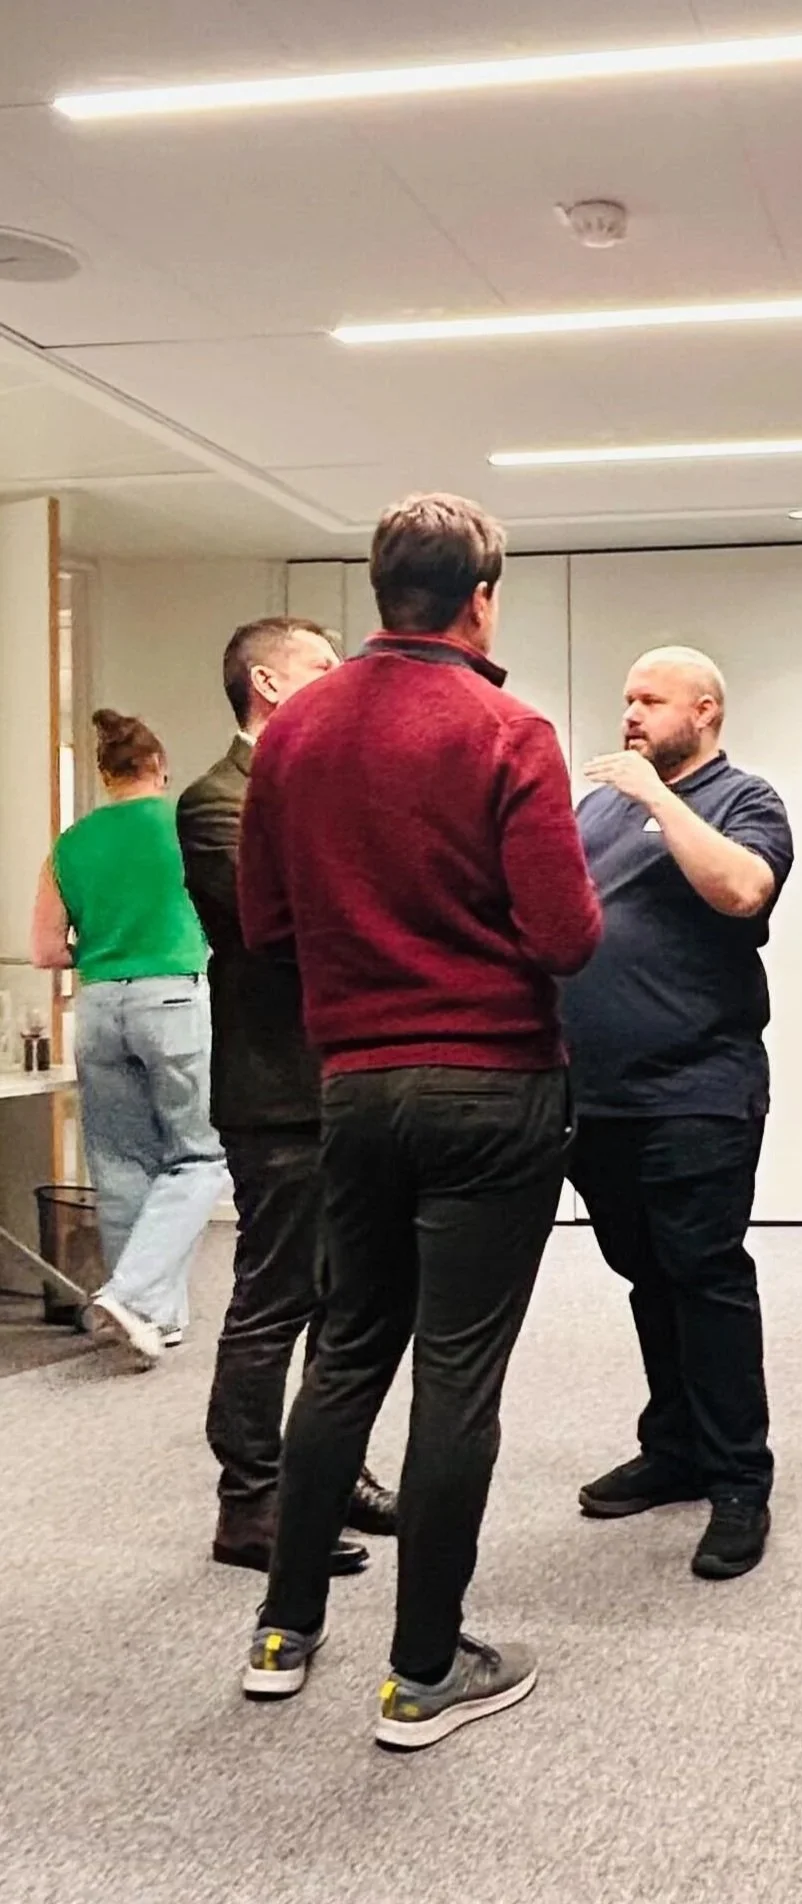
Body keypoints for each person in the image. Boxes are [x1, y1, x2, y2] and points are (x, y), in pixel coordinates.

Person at [235, 494, 601, 1751]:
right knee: (457, 1376)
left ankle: (283, 1631)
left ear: (379, 590)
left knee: (345, 1353)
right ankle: (422, 1670)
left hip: (352, 1087)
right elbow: (566, 935)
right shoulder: (507, 728)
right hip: (494, 1085)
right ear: (480, 598)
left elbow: (267, 924)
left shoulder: (294, 731)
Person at [564, 646, 793, 1581]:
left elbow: (743, 891)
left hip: (697, 1088)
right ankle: (676, 1448)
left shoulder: (745, 799)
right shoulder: (595, 810)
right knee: (647, 1278)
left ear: (704, 711)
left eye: (650, 699)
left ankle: (739, 1480)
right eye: (625, 698)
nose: (630, 713)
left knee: (705, 1277)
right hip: (597, 1095)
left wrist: (659, 799)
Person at [177, 617, 395, 1579]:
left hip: (352, 1077)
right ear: (267, 682)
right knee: (276, 1299)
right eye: (322, 666)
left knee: (352, 1299)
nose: (342, 680)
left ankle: (330, 1470)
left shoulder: (333, 784)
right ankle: (250, 1504)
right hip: (276, 1091)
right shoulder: (215, 800)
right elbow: (289, 926)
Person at [31, 711, 225, 1369]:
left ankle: (153, 1320)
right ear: (158, 768)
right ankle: (132, 1294)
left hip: (96, 1005)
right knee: (199, 1156)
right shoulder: (183, 825)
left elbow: (45, 950)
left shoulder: (71, 844)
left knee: (119, 1164)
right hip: (173, 998)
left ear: (104, 773)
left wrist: (103, 950)